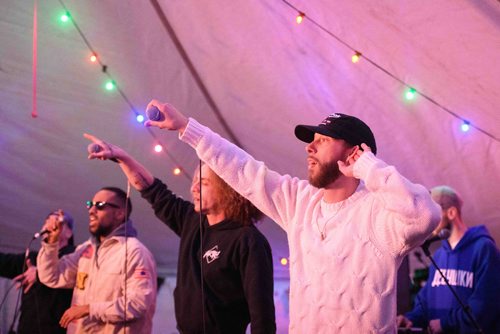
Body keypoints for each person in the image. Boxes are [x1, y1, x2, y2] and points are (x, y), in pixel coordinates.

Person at [141, 100, 441, 333]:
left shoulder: (380, 213)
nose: (309, 147)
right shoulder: (300, 202)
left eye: (322, 140)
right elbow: (245, 170)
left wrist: (368, 167)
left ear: (355, 153)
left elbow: (424, 216)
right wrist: (186, 127)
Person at [84, 133, 276, 334]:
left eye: (203, 183)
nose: (193, 188)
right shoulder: (191, 221)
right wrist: (121, 157)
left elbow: (262, 315)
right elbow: (152, 189)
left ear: (227, 188)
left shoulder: (248, 240)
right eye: (194, 182)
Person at [36, 187, 157, 333]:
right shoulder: (86, 249)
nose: (91, 210)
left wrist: (90, 309)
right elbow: (52, 276)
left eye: (99, 205)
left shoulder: (134, 252)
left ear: (120, 214)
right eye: (90, 204)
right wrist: (51, 243)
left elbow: (138, 304)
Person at [397, 186, 500, 333]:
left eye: (434, 213)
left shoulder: (484, 248)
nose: (429, 220)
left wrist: (446, 323)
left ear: (451, 213)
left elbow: (486, 305)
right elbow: (425, 302)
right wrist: (411, 318)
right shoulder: (439, 255)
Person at [0, 211, 75, 334]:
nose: (50, 225)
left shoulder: (75, 256)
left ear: (69, 233)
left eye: (57, 221)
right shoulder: (33, 258)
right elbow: (5, 263)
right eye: (47, 221)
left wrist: (39, 274)